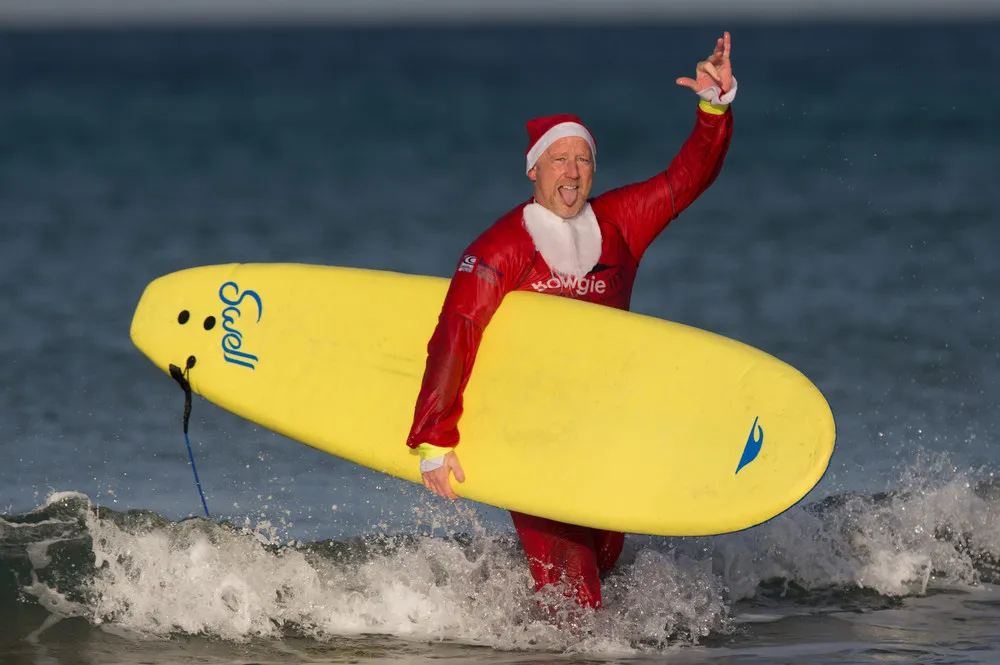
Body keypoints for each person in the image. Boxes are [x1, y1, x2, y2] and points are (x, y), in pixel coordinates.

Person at [406, 32, 737, 610]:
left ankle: (517, 629)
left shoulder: (619, 224)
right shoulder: (502, 246)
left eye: (584, 159)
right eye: (559, 159)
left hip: (603, 425)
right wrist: (434, 438)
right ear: (534, 169)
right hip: (529, 430)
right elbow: (457, 330)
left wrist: (713, 109)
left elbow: (685, 180)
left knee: (605, 560)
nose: (573, 171)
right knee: (575, 590)